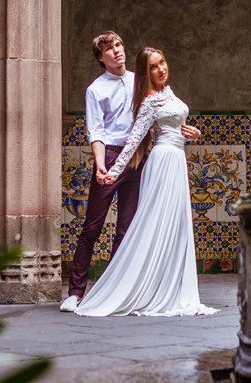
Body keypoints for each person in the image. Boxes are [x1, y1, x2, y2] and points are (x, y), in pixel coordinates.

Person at [74, 47, 218, 317]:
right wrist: (113, 171)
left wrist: (194, 133)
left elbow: (175, 125)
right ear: (145, 72)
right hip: (163, 162)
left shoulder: (168, 91)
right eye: (153, 67)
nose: (161, 69)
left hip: (177, 160)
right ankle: (135, 287)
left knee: (177, 225)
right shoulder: (149, 101)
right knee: (154, 224)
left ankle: (171, 287)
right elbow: (133, 142)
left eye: (162, 62)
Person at [60, 32, 140, 312]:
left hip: (138, 157)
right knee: (91, 227)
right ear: (100, 58)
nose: (117, 51)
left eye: (118, 45)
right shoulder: (96, 89)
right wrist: (101, 164)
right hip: (110, 156)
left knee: (126, 229)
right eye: (109, 49)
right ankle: (75, 292)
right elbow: (96, 130)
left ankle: (111, 289)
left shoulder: (140, 80)